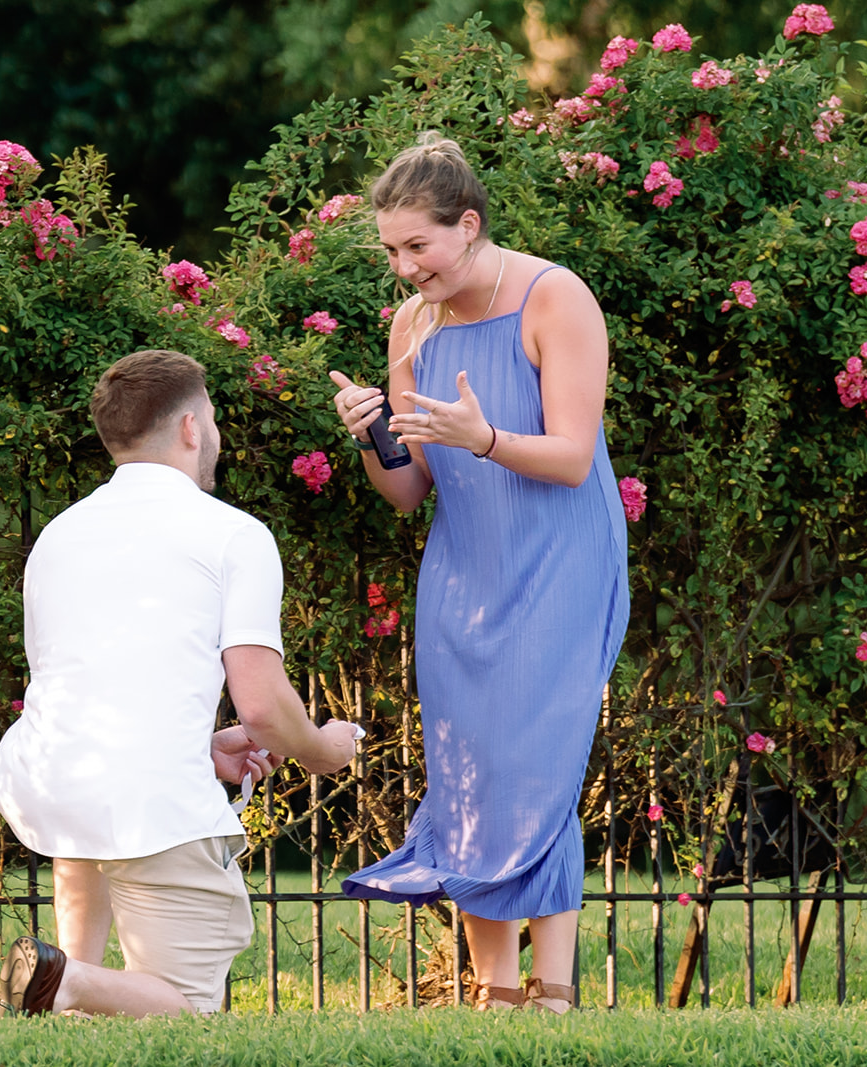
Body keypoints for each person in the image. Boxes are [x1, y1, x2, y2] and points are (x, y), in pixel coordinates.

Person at [328, 135, 630, 1013]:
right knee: (468, 769)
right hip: (464, 571)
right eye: (391, 251)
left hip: (562, 562)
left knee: (539, 762)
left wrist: (485, 437)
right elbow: (407, 490)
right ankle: (496, 990)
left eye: (416, 246)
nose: (404, 268)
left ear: (467, 224)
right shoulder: (411, 326)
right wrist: (372, 434)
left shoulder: (555, 297)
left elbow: (572, 456)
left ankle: (554, 989)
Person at [0, 348, 359, 1018]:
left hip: (53, 782)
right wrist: (322, 749)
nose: (214, 432)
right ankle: (63, 983)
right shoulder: (231, 534)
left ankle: (63, 995)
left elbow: (84, 684)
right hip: (148, 800)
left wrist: (199, 747)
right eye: (210, 418)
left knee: (108, 987)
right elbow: (262, 706)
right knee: (187, 1005)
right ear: (191, 427)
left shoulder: (60, 534)